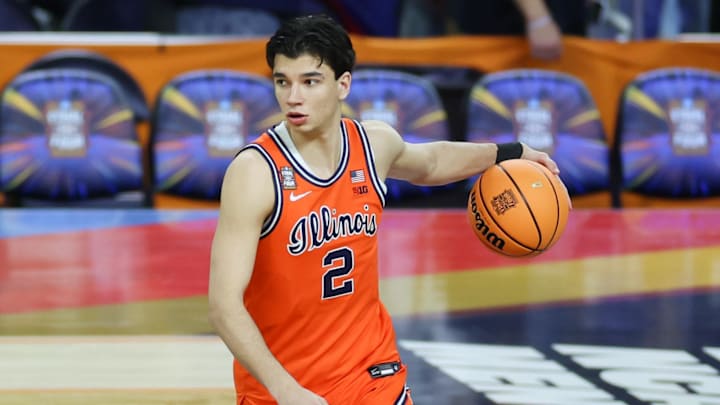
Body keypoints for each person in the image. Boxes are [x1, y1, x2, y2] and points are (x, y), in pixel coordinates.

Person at [208, 14, 564, 405]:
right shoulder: (255, 172)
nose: (294, 97)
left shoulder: (373, 144)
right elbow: (224, 305)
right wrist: (287, 391)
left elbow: (431, 162)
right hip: (283, 387)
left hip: (372, 374)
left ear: (343, 84)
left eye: (310, 81)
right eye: (282, 82)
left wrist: (510, 152)